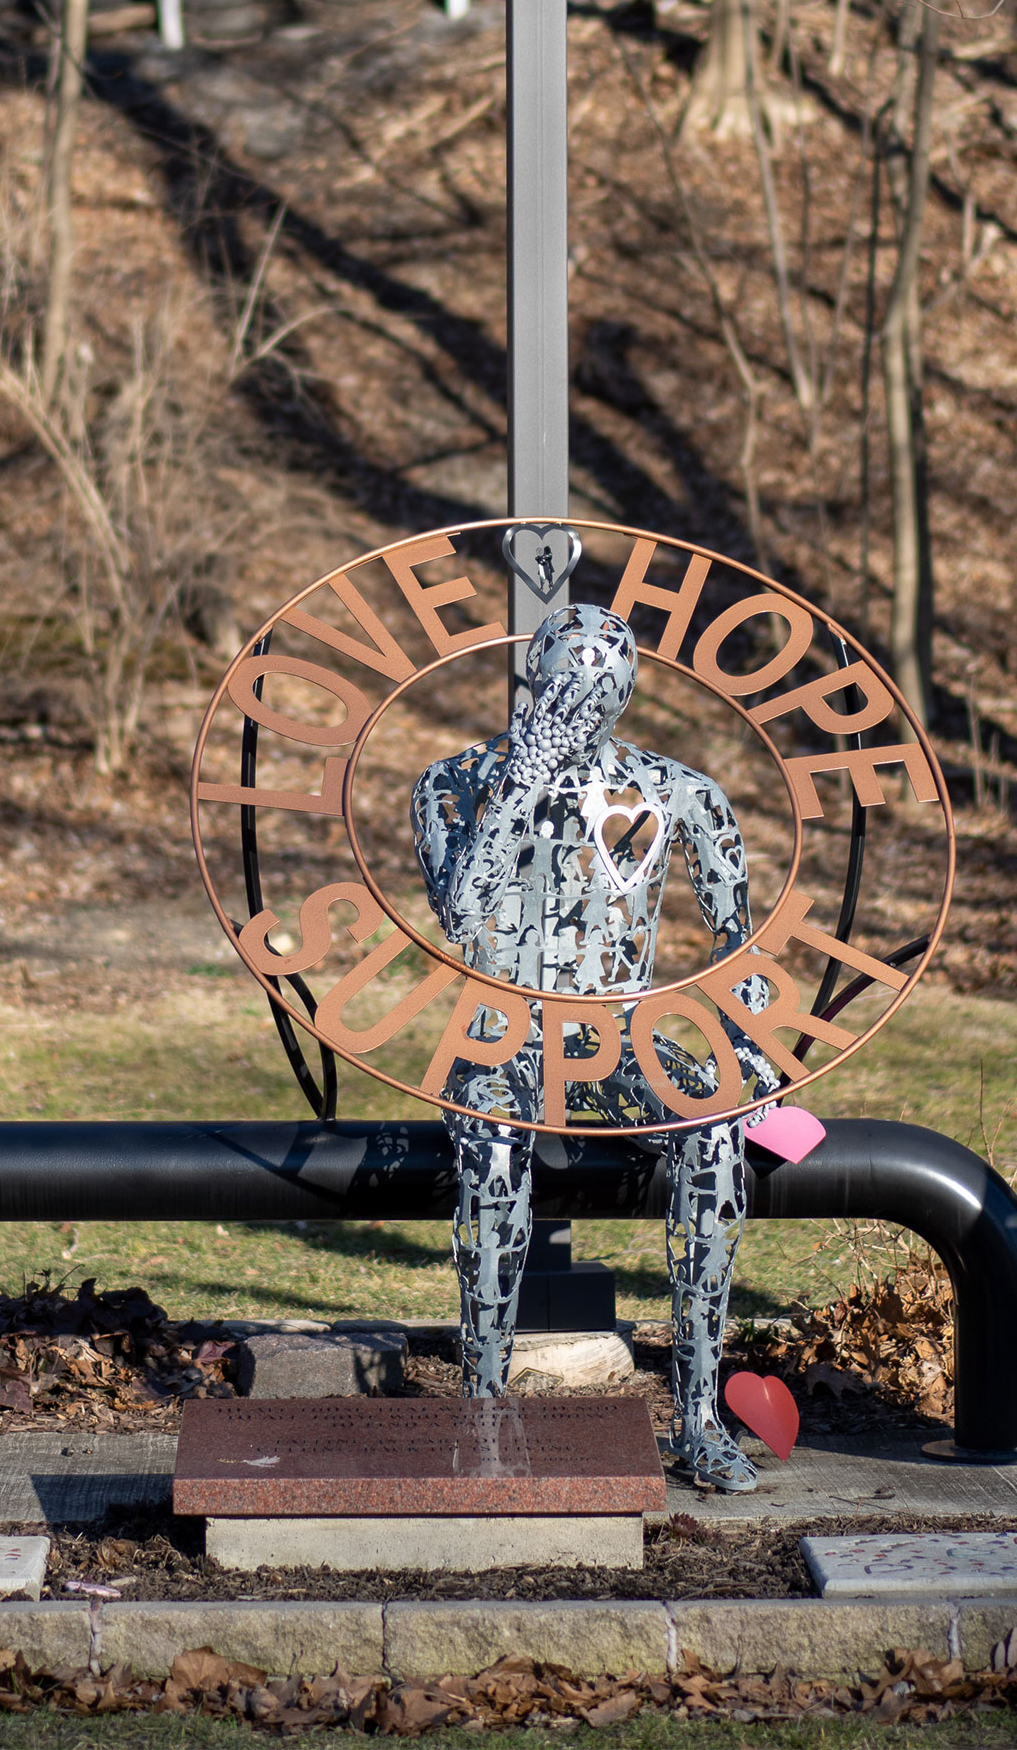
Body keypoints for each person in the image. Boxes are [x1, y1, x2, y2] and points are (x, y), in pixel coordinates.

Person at [414, 600, 772, 1490]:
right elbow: (462, 914)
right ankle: (486, 1416)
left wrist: (753, 1053)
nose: (581, 708)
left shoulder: (680, 793)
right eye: (564, 687)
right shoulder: (452, 783)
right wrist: (526, 771)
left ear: (627, 692)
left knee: (717, 1129)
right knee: (491, 1154)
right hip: (505, 1036)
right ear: (535, 680)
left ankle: (696, 1418)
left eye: (599, 690)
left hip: (621, 1038)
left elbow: (740, 950)